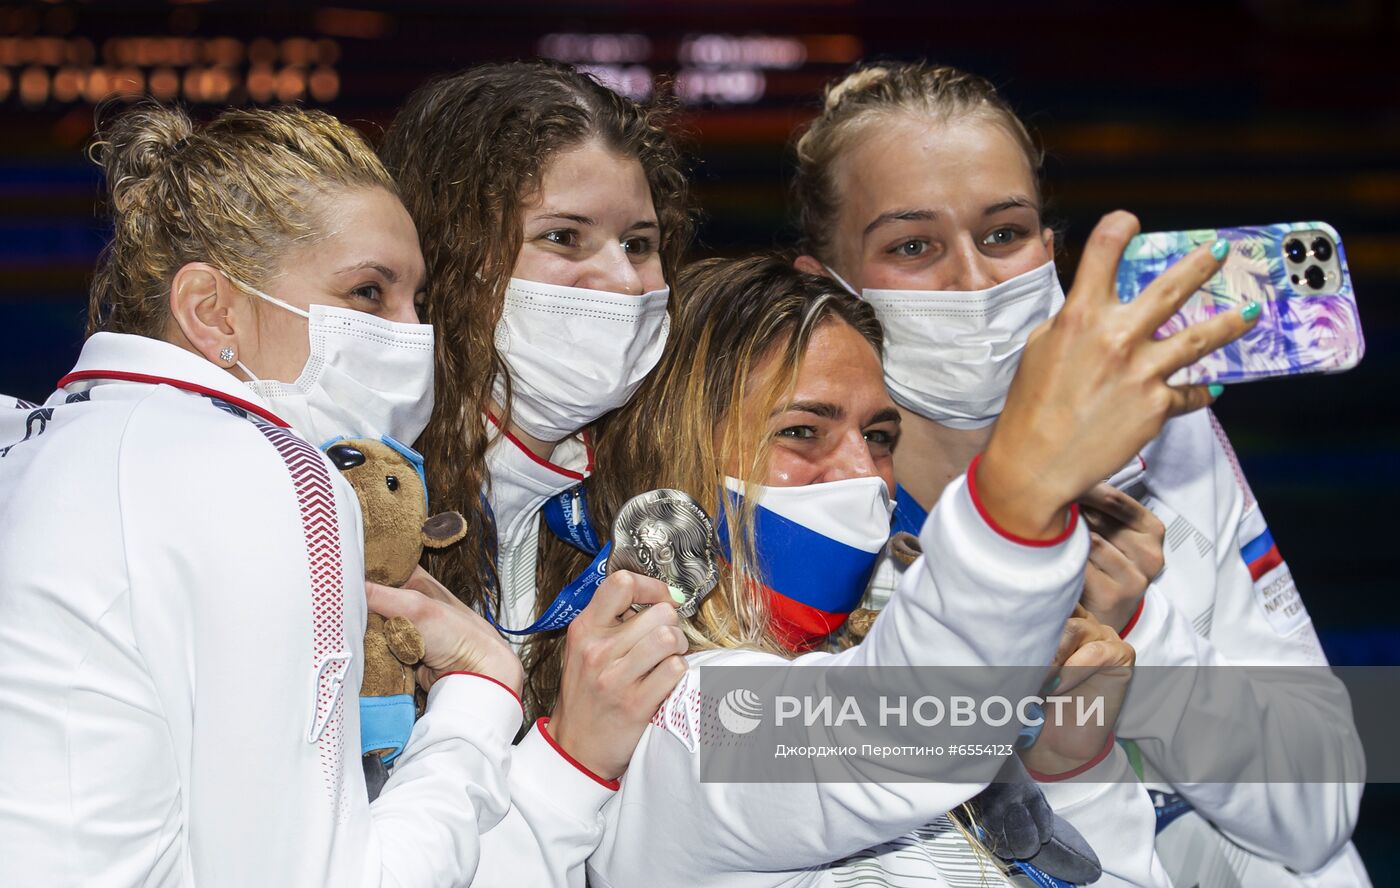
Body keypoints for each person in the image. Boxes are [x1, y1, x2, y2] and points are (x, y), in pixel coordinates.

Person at [792, 61, 1368, 887]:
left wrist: (1140, 633)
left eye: (1003, 234)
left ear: (1050, 248)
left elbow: (1319, 812)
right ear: (830, 283)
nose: (974, 279)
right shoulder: (791, 491)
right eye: (912, 246)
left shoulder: (1167, 428)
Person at [558, 240, 1256, 887]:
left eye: (879, 436)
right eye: (802, 432)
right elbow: (893, 738)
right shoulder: (671, 717)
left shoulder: (912, 688)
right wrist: (1025, 485)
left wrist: (1073, 763)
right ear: (673, 450)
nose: (865, 474)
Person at [0, 103, 526, 886]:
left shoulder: (26, 438)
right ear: (213, 310)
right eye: (369, 293)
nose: (413, 335)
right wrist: (482, 693)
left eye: (419, 303)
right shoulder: (266, 471)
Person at [380, 62, 692, 886]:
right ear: (452, 259)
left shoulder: (654, 506)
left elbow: (758, 750)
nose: (622, 281)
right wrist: (573, 762)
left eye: (640, 244)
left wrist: (1002, 724)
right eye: (564, 237)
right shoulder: (361, 513)